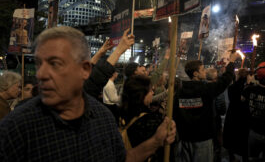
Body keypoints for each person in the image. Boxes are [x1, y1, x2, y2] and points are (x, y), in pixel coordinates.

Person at [0, 26, 176, 162]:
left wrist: (155, 142)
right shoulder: (16, 127)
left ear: (84, 70)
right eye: (39, 64)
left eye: (55, 64)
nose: (41, 74)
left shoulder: (104, 119)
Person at [173, 52, 240, 162]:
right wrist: (231, 62)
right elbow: (224, 81)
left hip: (185, 138)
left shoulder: (179, 92)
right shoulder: (205, 89)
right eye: (203, 70)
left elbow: (175, 113)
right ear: (195, 74)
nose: (205, 71)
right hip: (202, 139)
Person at [121, 75, 175, 161]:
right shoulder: (149, 121)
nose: (152, 93)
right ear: (142, 94)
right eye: (150, 90)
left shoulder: (121, 114)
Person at [223, 68, 250, 162]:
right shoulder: (248, 88)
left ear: (238, 75)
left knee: (231, 137)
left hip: (232, 114)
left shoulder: (232, 87)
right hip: (243, 116)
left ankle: (231, 157)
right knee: (243, 140)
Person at [242, 62, 265, 161]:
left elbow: (241, 99)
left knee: (253, 157)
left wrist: (248, 83)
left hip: (254, 130)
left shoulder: (250, 89)